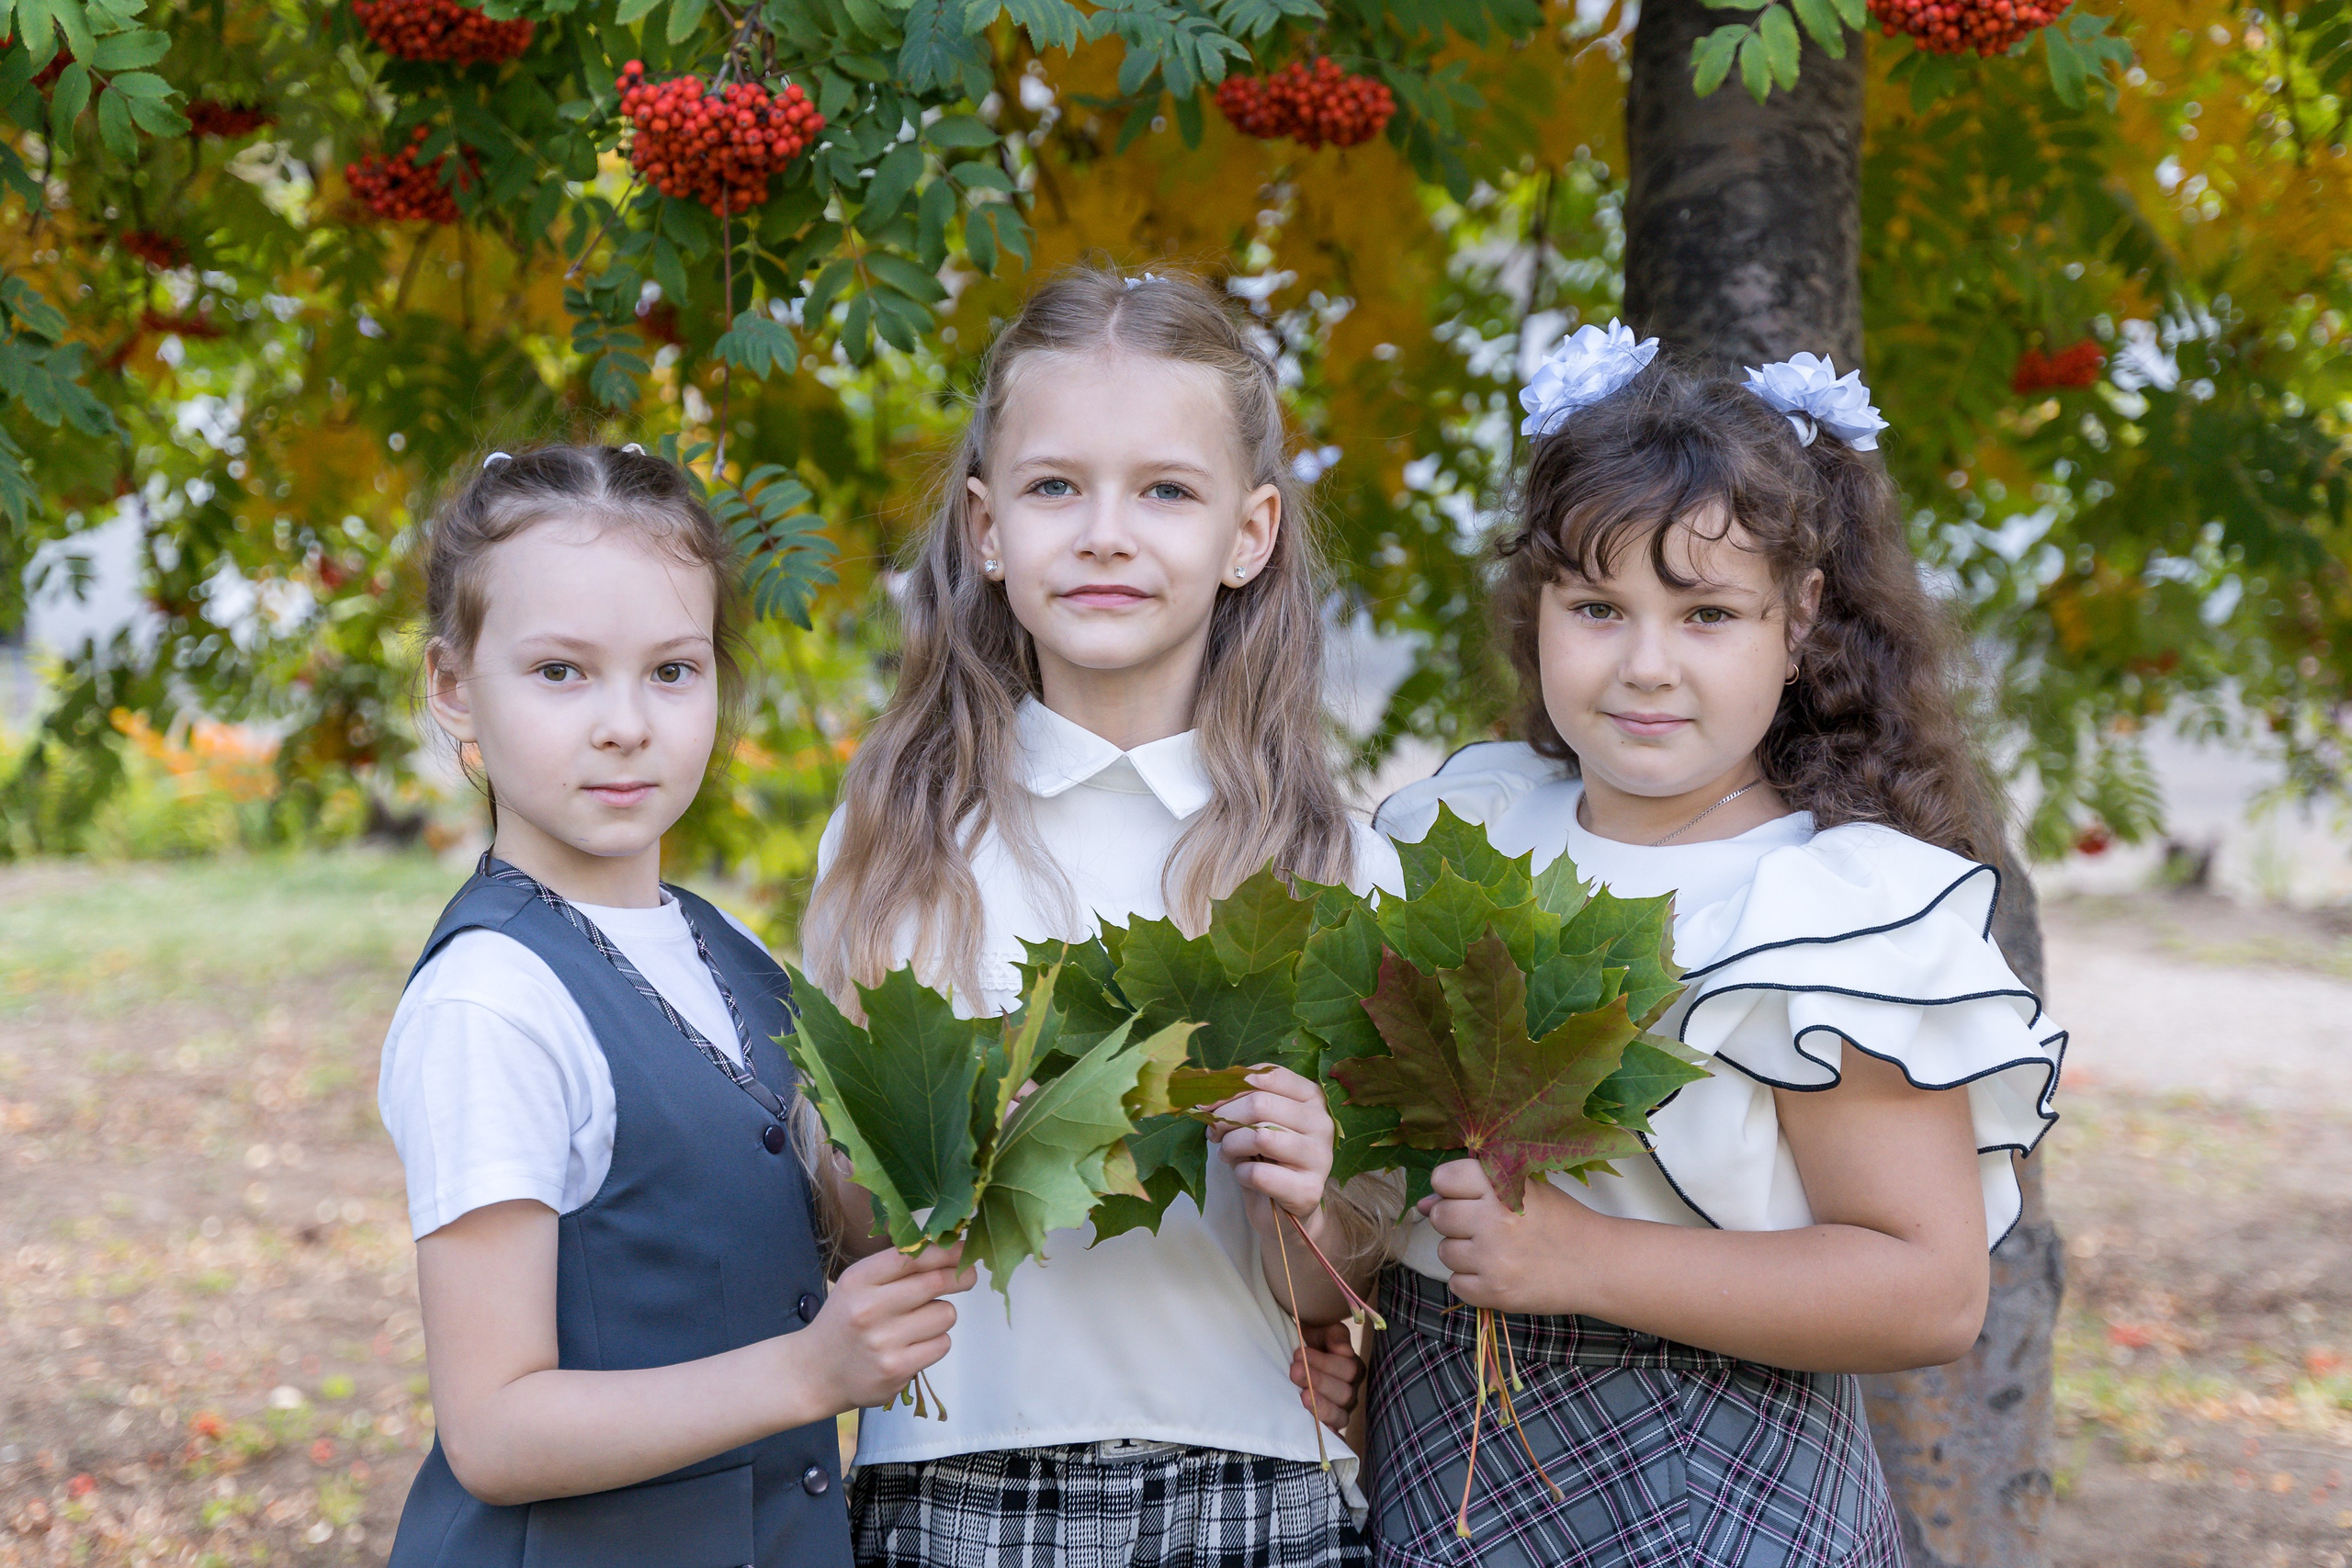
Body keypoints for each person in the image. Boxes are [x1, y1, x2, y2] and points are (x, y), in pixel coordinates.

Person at [1363, 328, 2065, 1568]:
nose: (1646, 664)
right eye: (1597, 606)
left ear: (1796, 621)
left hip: (1715, 1493)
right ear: (1535, 609)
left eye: (1706, 614)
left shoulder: (1823, 914)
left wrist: (1583, 1255)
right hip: (1434, 1450)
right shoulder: (1463, 833)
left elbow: (1929, 1285)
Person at [800, 266, 1403, 1568]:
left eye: (1166, 491)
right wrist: (935, 1154)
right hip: (957, 1478)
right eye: (1056, 485)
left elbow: (1328, 1285)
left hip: (1258, 1481)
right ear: (985, 527)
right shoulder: (900, 834)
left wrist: (1317, 1181)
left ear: (1249, 534)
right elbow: (846, 1214)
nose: (1106, 532)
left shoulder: (1330, 858)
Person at [379, 444, 973, 1568]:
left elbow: (808, 1231)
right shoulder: (490, 1003)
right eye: (560, 672)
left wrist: (962, 1139)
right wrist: (808, 1375)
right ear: (454, 685)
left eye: (671, 670)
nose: (624, 723)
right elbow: (494, 1430)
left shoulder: (727, 945)